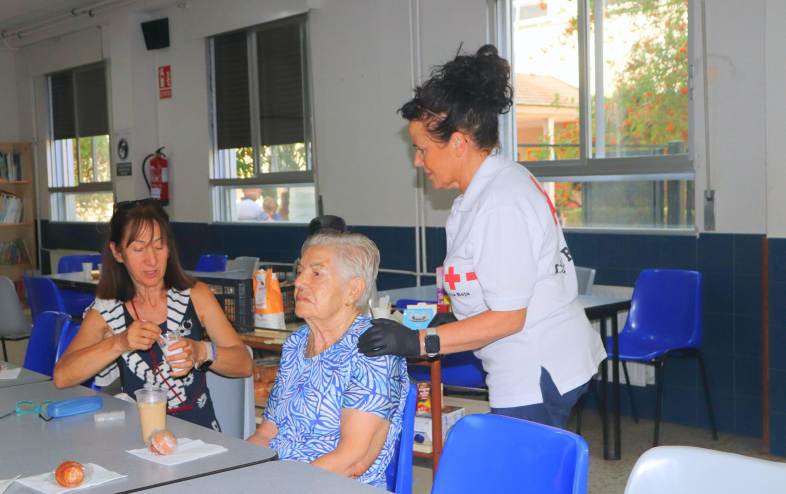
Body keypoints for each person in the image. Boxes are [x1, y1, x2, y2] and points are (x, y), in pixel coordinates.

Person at [358, 45, 606, 429]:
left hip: (533, 367)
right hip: (526, 361)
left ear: (457, 143)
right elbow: (491, 285)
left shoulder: (500, 201)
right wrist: (443, 318)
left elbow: (507, 317)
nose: (417, 161)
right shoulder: (486, 190)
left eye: (422, 149)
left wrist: (420, 342)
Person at [53, 198, 253, 430]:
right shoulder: (108, 312)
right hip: (141, 437)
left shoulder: (196, 296)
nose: (152, 259)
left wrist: (201, 351)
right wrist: (120, 342)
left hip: (201, 435)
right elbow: (62, 376)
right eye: (139, 249)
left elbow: (245, 364)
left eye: (159, 246)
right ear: (117, 252)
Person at [247, 231, 407, 489]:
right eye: (300, 271)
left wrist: (283, 486)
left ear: (353, 289)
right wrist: (239, 471)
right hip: (279, 479)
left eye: (316, 273)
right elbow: (267, 433)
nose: (299, 281)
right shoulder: (297, 343)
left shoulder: (375, 349)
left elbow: (353, 461)